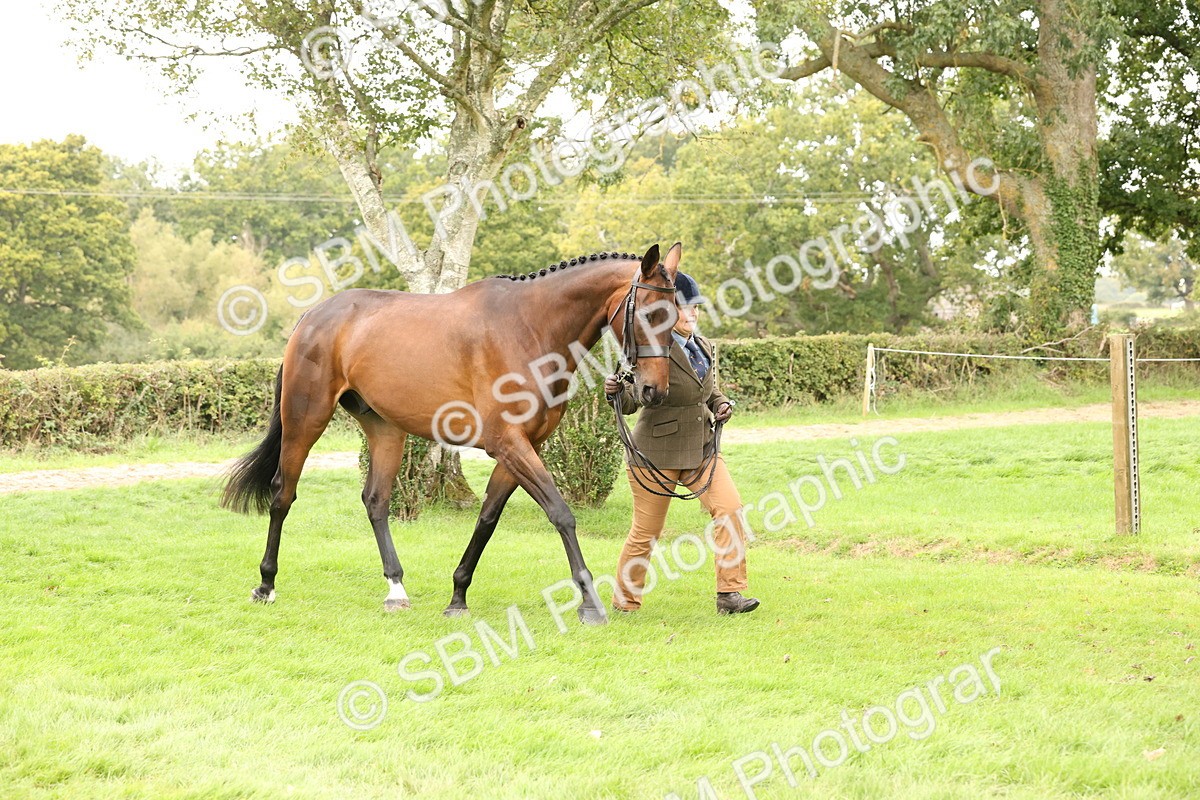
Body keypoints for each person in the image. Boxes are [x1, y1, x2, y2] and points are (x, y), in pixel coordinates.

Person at [604, 272, 760, 615]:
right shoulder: (650, 347)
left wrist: (719, 403)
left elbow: (706, 389)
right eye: (685, 309)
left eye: (696, 309)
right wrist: (616, 393)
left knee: (731, 509)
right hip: (655, 455)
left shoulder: (704, 346)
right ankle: (625, 602)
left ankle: (730, 595)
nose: (693, 315)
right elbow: (633, 400)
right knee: (646, 533)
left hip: (701, 449)